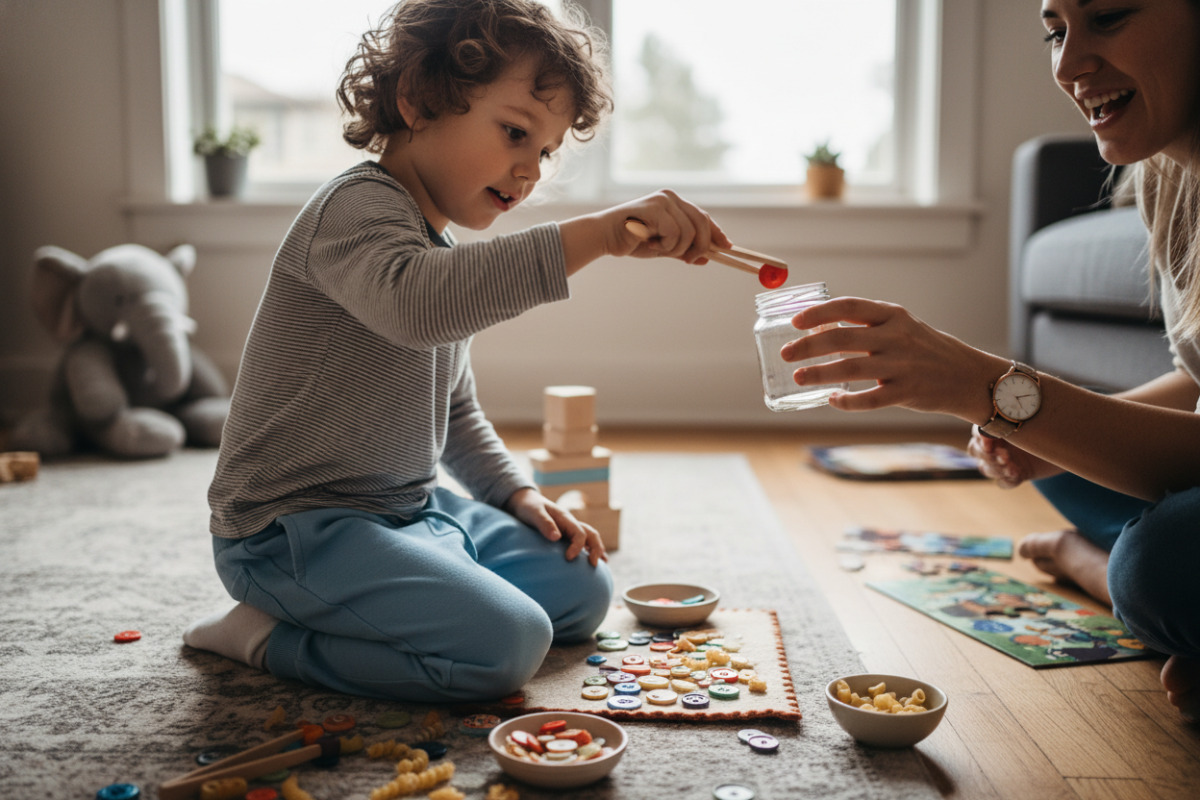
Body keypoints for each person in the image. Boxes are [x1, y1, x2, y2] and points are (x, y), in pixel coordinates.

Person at [182, 0, 729, 703]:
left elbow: (456, 408)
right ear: (418, 101)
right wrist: (597, 235)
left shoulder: (436, 249)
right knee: (507, 646)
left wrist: (516, 493)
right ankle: (263, 635)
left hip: (409, 511)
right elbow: (420, 305)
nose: (530, 170)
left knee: (581, 591)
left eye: (546, 152)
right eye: (513, 132)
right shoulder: (351, 213)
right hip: (290, 531)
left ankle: (395, 599)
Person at [779, 0, 1200, 722]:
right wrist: (1038, 433)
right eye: (1055, 31)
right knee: (1066, 464)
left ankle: (1096, 568)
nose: (1068, 66)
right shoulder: (1171, 178)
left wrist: (989, 388)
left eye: (1108, 16)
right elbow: (1197, 381)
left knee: (1158, 559)